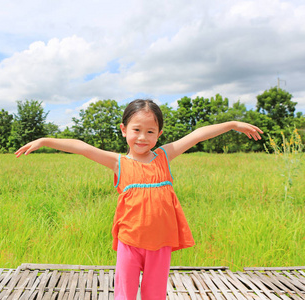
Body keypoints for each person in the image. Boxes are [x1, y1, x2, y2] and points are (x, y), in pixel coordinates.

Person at [15, 99, 263, 300]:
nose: (142, 137)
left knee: (155, 295)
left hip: (161, 242)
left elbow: (197, 135)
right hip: (130, 242)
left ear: (159, 134)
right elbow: (82, 147)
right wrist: (45, 141)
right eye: (136, 130)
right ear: (124, 130)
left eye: (150, 131)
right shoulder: (118, 162)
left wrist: (232, 124)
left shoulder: (164, 156)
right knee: (124, 294)